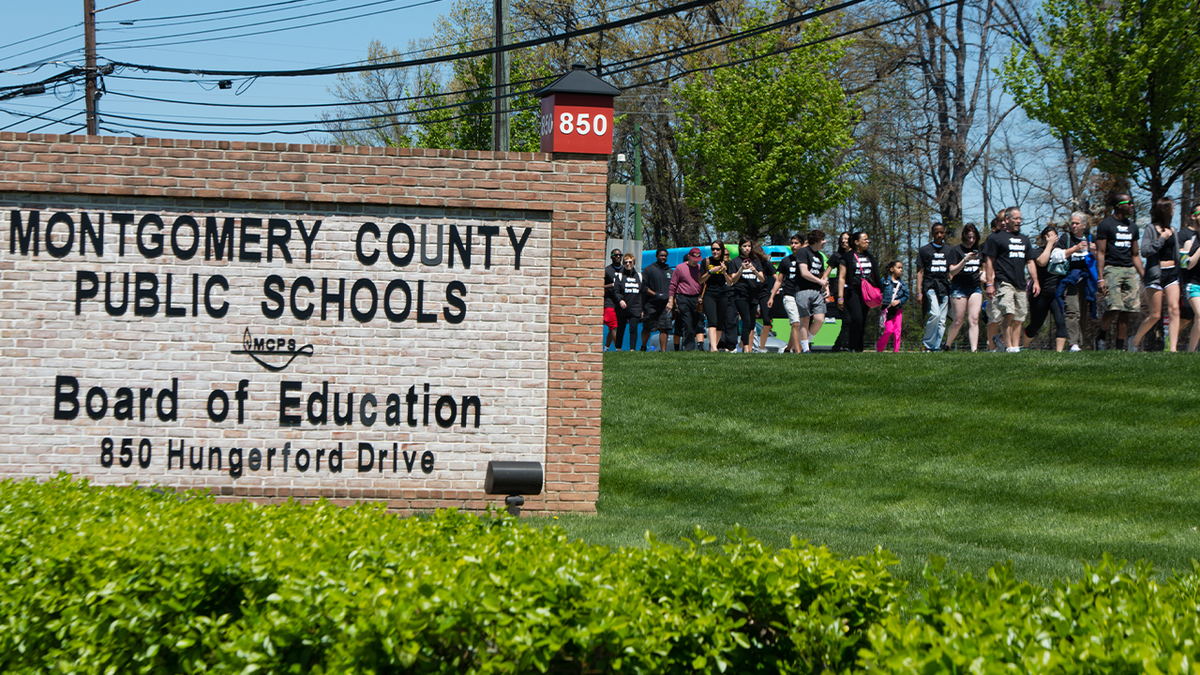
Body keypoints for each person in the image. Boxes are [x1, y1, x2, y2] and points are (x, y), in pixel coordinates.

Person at [981, 206, 1038, 352]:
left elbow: (1030, 262)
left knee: (1020, 317)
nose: (1019, 221)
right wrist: (989, 284)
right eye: (1015, 218)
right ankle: (1009, 346)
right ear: (1007, 219)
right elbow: (989, 262)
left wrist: (1036, 281)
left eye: (1020, 218)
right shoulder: (995, 238)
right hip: (1004, 281)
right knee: (1008, 312)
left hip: (1020, 283)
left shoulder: (1025, 240)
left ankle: (1009, 343)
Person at [1132, 197, 1182, 352]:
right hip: (1155, 275)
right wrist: (1161, 239)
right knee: (1155, 315)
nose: (1174, 211)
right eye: (1172, 208)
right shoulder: (1150, 229)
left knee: (1174, 310)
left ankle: (1172, 349)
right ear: (1165, 211)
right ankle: (1134, 341)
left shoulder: (1173, 230)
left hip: (1172, 273)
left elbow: (1178, 254)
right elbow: (1145, 251)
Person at [1094, 193, 1142, 350]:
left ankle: (1120, 347)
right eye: (1129, 203)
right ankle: (1101, 336)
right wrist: (1100, 278)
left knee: (1127, 310)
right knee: (1113, 307)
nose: (1132, 205)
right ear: (1119, 205)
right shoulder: (1105, 225)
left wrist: (1144, 275)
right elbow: (1100, 253)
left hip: (1129, 270)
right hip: (1112, 268)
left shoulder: (1133, 227)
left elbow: (1135, 255)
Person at [1021, 226, 1068, 351]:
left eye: (1054, 236)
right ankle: (1024, 347)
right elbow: (1042, 262)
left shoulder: (1061, 252)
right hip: (1040, 294)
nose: (1052, 239)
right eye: (1049, 236)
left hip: (1056, 294)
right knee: (1036, 325)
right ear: (1044, 238)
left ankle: (1059, 354)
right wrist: (1049, 245)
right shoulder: (1037, 251)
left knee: (1061, 322)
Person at [1057, 212, 1096, 351]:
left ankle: (1079, 343)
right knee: (1072, 311)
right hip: (1070, 280)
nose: (1073, 226)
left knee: (1083, 313)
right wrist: (1075, 249)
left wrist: (1095, 251)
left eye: (1077, 223)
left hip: (1086, 281)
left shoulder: (1091, 239)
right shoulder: (1065, 238)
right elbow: (1055, 256)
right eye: (1072, 223)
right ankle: (1073, 343)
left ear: (1084, 226)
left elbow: (1099, 258)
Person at [730, 237, 775, 353]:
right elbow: (732, 281)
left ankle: (746, 347)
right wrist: (741, 269)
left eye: (749, 246)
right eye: (744, 246)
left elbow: (762, 278)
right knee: (746, 320)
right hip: (741, 295)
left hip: (753, 294)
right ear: (740, 247)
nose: (747, 249)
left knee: (751, 323)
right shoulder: (735, 262)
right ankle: (746, 348)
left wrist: (754, 270)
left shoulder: (756, 261)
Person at [836, 231, 879, 352]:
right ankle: (851, 345)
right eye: (865, 239)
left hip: (867, 292)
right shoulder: (848, 256)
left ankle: (859, 348)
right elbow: (842, 277)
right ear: (856, 242)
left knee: (864, 319)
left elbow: (875, 275)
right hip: (852, 291)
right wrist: (840, 297)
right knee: (857, 318)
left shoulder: (870, 256)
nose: (868, 242)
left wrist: (879, 292)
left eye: (868, 239)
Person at [944, 223, 983, 351]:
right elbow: (952, 271)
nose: (971, 241)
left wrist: (984, 275)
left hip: (975, 288)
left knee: (974, 319)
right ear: (964, 236)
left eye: (973, 238)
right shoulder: (956, 251)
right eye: (969, 238)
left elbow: (983, 268)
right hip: (959, 288)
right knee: (958, 321)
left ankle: (974, 350)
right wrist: (965, 260)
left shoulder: (979, 252)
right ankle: (947, 345)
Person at [915, 223, 951, 351]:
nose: (939, 235)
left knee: (942, 320)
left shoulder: (949, 250)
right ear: (932, 234)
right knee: (935, 314)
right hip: (930, 286)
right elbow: (919, 272)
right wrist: (919, 292)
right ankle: (928, 343)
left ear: (944, 233)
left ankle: (936, 347)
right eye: (936, 233)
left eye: (941, 232)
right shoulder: (925, 250)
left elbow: (952, 271)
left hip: (944, 287)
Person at [769, 234, 807, 353]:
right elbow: (779, 280)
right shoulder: (786, 261)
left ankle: (788, 348)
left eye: (796, 243)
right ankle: (798, 352)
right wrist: (772, 297)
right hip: (789, 294)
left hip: (803, 295)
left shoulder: (807, 260)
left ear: (802, 245)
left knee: (799, 325)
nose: (793, 246)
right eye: (792, 243)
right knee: (795, 324)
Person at [668, 247, 704, 351]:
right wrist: (671, 301)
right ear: (689, 256)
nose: (695, 262)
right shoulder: (680, 268)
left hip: (696, 298)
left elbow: (703, 284)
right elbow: (673, 285)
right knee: (687, 322)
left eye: (697, 259)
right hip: (683, 297)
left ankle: (699, 348)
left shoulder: (700, 268)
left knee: (697, 323)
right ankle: (688, 348)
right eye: (693, 259)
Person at [700, 240, 733, 352]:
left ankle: (714, 347)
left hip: (723, 294)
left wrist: (724, 272)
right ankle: (714, 348)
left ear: (722, 250)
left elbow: (730, 282)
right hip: (709, 294)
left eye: (717, 249)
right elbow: (700, 280)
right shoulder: (706, 261)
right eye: (713, 249)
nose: (715, 251)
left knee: (720, 322)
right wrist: (710, 272)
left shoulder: (727, 264)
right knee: (712, 321)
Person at [984, 213, 1008, 351]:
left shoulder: (1017, 238)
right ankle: (992, 348)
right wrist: (989, 283)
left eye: (1006, 220)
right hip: (995, 282)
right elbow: (987, 262)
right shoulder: (992, 238)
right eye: (1000, 221)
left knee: (1010, 316)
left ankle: (1007, 345)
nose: (1003, 223)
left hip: (1011, 282)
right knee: (994, 317)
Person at [640, 247, 672, 352]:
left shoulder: (670, 271)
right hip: (651, 304)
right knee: (647, 327)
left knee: (664, 327)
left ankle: (663, 351)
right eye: (661, 255)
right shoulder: (648, 269)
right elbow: (644, 287)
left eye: (665, 256)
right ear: (657, 256)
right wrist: (656, 295)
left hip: (664, 305)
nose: (663, 258)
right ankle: (643, 347)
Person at [612, 254, 643, 351]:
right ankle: (618, 348)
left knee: (633, 329)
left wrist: (642, 309)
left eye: (630, 262)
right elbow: (615, 291)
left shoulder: (639, 276)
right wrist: (620, 300)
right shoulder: (620, 276)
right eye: (625, 262)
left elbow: (642, 293)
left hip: (635, 307)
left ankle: (632, 350)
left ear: (633, 263)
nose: (628, 264)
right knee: (620, 328)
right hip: (623, 308)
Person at [876, 260, 908, 352]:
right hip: (887, 310)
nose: (901, 270)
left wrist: (899, 301)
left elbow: (906, 296)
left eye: (902, 268)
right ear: (891, 269)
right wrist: (879, 302)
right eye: (898, 268)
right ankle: (879, 347)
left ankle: (896, 351)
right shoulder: (884, 281)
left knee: (897, 331)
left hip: (898, 310)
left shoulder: (903, 284)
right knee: (889, 330)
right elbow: (878, 292)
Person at [828, 231, 852, 352]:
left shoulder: (855, 256)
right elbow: (826, 274)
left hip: (852, 291)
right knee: (847, 319)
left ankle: (837, 346)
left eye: (846, 239)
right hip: (839, 290)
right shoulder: (837, 256)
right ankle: (845, 346)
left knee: (853, 319)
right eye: (842, 239)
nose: (844, 241)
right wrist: (827, 289)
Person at [1181, 204, 1200, 351]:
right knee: (1199, 316)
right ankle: (1191, 351)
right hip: (1194, 285)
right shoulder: (1189, 242)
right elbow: (1187, 265)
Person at [603, 248, 622, 351]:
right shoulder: (606, 270)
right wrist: (612, 285)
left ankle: (606, 348)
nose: (618, 257)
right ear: (611, 257)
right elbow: (600, 285)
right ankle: (619, 350)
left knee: (612, 328)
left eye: (620, 255)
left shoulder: (624, 270)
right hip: (609, 302)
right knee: (614, 327)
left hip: (620, 303)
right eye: (615, 255)